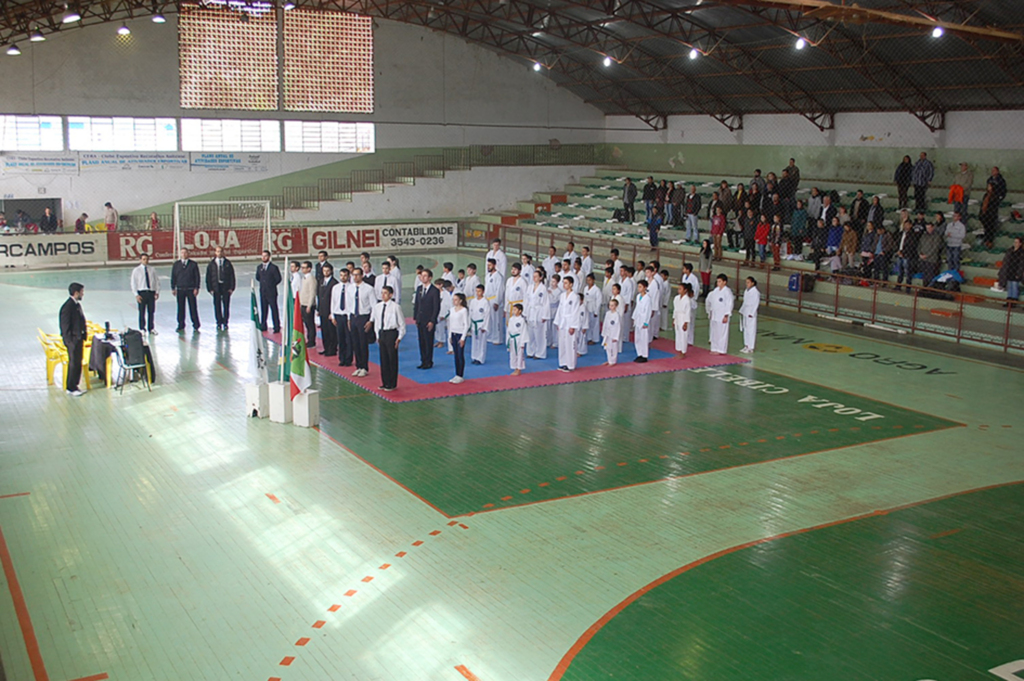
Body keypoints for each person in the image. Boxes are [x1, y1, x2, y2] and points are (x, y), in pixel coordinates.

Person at [368, 285, 405, 392]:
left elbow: (402, 324)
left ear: (391, 295)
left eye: (385, 293)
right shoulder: (377, 307)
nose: (383, 295)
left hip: (391, 333)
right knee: (383, 359)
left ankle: (392, 383)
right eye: (382, 293)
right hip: (382, 333)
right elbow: (377, 323)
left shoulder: (395, 307)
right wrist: (377, 335)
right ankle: (385, 382)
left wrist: (399, 338)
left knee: (392, 359)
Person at [59, 283, 88, 396]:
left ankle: (75, 385)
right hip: (73, 341)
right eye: (81, 292)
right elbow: (65, 326)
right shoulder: (67, 307)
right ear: (76, 293)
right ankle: (70, 387)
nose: (83, 294)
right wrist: (70, 341)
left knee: (77, 362)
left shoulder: (76, 305)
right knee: (74, 363)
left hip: (78, 338)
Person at [348, 268, 377, 377]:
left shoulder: (369, 289)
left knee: (363, 343)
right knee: (355, 343)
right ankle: (358, 366)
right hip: (353, 317)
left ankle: (364, 367)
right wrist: (348, 319)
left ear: (362, 276)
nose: (355, 277)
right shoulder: (350, 288)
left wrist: (371, 321)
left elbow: (373, 306)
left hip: (363, 317)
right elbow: (349, 304)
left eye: (357, 275)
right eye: (353, 275)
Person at [412, 269, 439, 370]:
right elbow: (417, 304)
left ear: (430, 277)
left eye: (425, 276)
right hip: (420, 319)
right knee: (421, 341)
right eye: (421, 276)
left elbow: (436, 307)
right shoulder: (419, 289)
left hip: (429, 320)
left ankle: (428, 361)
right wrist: (415, 318)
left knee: (428, 341)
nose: (422, 278)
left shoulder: (434, 291)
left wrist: (432, 320)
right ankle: (423, 360)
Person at [205, 246, 235, 331]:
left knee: (226, 305)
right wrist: (210, 288)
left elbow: (232, 276)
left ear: (223, 252)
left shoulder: (228, 263)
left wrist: (231, 288)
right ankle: (218, 322)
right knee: (217, 306)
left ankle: (225, 322)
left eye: (221, 251)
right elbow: (208, 277)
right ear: (215, 252)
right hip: (216, 288)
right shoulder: (211, 264)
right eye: (217, 251)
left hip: (225, 287)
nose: (219, 253)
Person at [170, 248, 201, 332]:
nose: (183, 254)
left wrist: (196, 287)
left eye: (185, 252)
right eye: (182, 252)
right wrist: (173, 288)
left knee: (193, 307)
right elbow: (173, 277)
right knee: (180, 308)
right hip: (180, 289)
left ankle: (196, 324)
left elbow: (197, 277)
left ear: (188, 253)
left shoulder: (193, 264)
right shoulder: (176, 264)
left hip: (190, 289)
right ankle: (180, 324)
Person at [555, 276, 581, 372]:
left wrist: (573, 326)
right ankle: (563, 363)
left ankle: (570, 364)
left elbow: (575, 312)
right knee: (562, 343)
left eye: (566, 283)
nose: (564, 285)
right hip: (562, 321)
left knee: (570, 344)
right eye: (563, 283)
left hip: (570, 321)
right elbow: (560, 309)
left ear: (571, 284)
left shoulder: (575, 297)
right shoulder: (562, 295)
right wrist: (558, 322)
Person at [706, 274, 734, 355]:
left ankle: (721, 349)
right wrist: (710, 312)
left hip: (722, 315)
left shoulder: (727, 292)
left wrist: (726, 315)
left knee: (722, 333)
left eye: (720, 281)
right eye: (717, 281)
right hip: (715, 314)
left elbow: (729, 304)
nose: (718, 283)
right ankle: (714, 348)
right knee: (715, 332)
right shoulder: (715, 291)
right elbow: (712, 303)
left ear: (724, 282)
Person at [131, 253, 159, 334]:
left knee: (151, 311)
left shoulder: (152, 269)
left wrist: (157, 292)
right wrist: (136, 294)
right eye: (143, 259)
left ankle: (151, 328)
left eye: (146, 259)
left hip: (151, 292)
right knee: (142, 311)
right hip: (142, 292)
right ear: (140, 260)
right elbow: (133, 283)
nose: (145, 261)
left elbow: (156, 281)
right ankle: (142, 328)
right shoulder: (136, 270)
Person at [255, 250, 282, 333]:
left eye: (265, 256)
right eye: (262, 256)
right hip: (263, 291)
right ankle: (263, 325)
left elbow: (278, 278)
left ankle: (276, 326)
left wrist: (271, 284)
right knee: (263, 309)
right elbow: (258, 277)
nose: (263, 257)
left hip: (272, 292)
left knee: (274, 309)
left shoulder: (274, 268)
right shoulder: (259, 267)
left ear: (269, 257)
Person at [330, 268, 352, 366]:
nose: (343, 277)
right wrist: (333, 315)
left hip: (347, 315)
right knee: (340, 338)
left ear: (348, 276)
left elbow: (352, 303)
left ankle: (348, 359)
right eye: (341, 275)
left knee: (348, 339)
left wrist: (349, 318)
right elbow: (333, 302)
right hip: (338, 315)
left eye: (345, 275)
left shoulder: (352, 287)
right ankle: (341, 358)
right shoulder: (335, 288)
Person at [526, 269, 550, 359]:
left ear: (541, 277)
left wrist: (545, 315)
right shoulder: (529, 287)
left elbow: (545, 303)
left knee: (539, 334)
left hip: (539, 312)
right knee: (530, 334)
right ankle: (530, 351)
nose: (534, 278)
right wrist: (525, 313)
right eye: (533, 276)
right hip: (530, 312)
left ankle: (540, 353)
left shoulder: (543, 288)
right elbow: (526, 300)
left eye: (536, 276)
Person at [447, 292, 470, 383]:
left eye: (456, 299)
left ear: (460, 300)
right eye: (453, 299)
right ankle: (456, 374)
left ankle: (460, 375)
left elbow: (466, 325)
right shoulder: (452, 309)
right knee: (456, 355)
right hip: (454, 333)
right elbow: (450, 324)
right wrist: (450, 336)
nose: (454, 301)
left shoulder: (464, 310)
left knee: (460, 354)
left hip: (460, 334)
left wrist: (463, 338)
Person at [317, 264, 338, 356]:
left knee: (331, 331)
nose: (325, 272)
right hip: (322, 310)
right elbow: (319, 296)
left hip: (330, 310)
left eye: (327, 271)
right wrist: (318, 309)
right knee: (324, 330)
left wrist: (332, 312)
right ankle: (326, 348)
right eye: (324, 270)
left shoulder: (334, 283)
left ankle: (332, 349)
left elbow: (335, 299)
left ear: (331, 271)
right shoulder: (321, 281)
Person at [894, 221, 920, 292]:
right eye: (905, 225)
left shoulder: (913, 234)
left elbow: (911, 246)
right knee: (900, 271)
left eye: (907, 225)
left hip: (907, 255)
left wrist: (903, 252)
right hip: (900, 254)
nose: (906, 226)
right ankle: (898, 285)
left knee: (907, 271)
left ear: (911, 225)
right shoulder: (901, 233)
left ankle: (908, 287)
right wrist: (898, 251)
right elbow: (897, 242)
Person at [631, 279, 653, 363]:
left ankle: (644, 355)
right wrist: (634, 317)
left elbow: (648, 311)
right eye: (638, 287)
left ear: (645, 288)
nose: (638, 288)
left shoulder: (647, 298)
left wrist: (646, 322)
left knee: (643, 338)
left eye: (640, 287)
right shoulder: (638, 296)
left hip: (644, 320)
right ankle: (639, 354)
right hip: (638, 319)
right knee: (637, 338)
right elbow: (637, 308)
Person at [997, 238, 1023, 307]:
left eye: (1017, 242)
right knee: (1009, 286)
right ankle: (1009, 300)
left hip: (1016, 271)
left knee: (1014, 286)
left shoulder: (1021, 253)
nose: (1015, 244)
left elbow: (1021, 264)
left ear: (1020, 244)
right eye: (1015, 242)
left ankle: (1014, 301)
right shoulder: (1010, 250)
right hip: (1009, 270)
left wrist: (1019, 273)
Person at [484, 259, 505, 344]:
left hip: (494, 299)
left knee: (496, 320)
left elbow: (500, 290)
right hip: (487, 299)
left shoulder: (498, 276)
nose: (488, 267)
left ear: (494, 265)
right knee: (489, 319)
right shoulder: (488, 276)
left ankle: (497, 338)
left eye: (490, 265)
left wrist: (497, 302)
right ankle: (490, 336)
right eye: (487, 265)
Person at [298, 261, 318, 349]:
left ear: (309, 269)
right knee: (306, 323)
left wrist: (309, 305)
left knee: (310, 324)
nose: (302, 269)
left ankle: (311, 341)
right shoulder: (304, 278)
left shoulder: (311, 279)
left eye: (304, 267)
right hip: (303, 303)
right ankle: (308, 339)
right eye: (302, 267)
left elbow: (312, 293)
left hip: (308, 305)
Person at [673, 281, 695, 359]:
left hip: (683, 318)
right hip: (677, 317)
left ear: (685, 290)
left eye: (680, 289)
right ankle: (679, 351)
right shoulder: (676, 298)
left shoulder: (687, 300)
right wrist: (674, 319)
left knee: (683, 335)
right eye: (678, 289)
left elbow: (688, 312)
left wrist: (686, 323)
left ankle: (683, 352)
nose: (678, 290)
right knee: (678, 335)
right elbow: (675, 310)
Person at [468, 285, 489, 365]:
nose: (477, 293)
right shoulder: (473, 301)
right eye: (476, 291)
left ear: (483, 292)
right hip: (474, 324)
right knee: (474, 342)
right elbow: (470, 313)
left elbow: (487, 315)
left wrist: (485, 326)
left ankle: (480, 358)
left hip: (481, 324)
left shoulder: (485, 302)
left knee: (481, 342)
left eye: (479, 291)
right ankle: (474, 357)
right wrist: (469, 324)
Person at [739, 277, 760, 354]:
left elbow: (756, 303)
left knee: (751, 330)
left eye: (748, 282)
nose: (747, 284)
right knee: (745, 329)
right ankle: (746, 345)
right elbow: (745, 302)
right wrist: (742, 310)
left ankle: (751, 347)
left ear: (752, 283)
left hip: (751, 313)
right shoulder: (746, 291)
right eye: (746, 282)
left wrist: (752, 312)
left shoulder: (755, 292)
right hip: (745, 312)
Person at [506, 303, 527, 376]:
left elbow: (524, 332)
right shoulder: (511, 319)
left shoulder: (522, 320)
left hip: (518, 339)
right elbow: (508, 330)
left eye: (515, 310)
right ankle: (515, 367)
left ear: (520, 311)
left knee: (519, 354)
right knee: (512, 354)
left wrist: (522, 343)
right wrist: (507, 340)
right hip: (512, 338)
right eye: (513, 309)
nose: (513, 311)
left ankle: (519, 369)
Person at [602, 298, 622, 366]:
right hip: (607, 333)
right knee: (607, 347)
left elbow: (618, 326)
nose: (611, 307)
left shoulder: (617, 315)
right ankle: (609, 359)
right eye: (610, 305)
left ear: (616, 306)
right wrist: (603, 332)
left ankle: (613, 361)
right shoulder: (607, 313)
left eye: (612, 305)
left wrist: (616, 337)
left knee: (614, 348)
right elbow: (605, 323)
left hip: (613, 334)